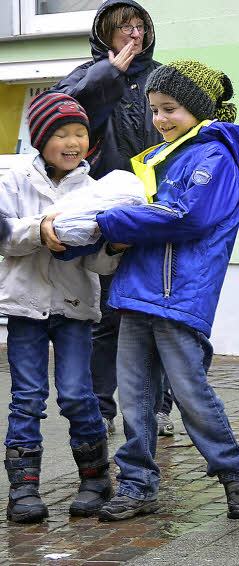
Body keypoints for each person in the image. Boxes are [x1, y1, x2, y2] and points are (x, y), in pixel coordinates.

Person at [93, 60, 239, 521]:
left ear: (199, 110)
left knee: (189, 392)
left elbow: (187, 216)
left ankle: (236, 473)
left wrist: (108, 221)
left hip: (177, 296)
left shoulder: (215, 157)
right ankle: (137, 483)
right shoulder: (162, 156)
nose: (161, 119)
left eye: (171, 109)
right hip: (136, 291)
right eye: (155, 110)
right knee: (134, 396)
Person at [0, 92, 122, 522]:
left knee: (75, 393)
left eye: (80, 133)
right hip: (25, 309)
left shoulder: (95, 190)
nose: (73, 142)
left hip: (74, 309)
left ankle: (95, 478)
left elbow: (97, 261)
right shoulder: (13, 181)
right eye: (61, 134)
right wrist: (42, 229)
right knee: (27, 397)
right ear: (39, 139)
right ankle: (23, 489)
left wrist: (115, 246)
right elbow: (5, 238)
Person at [51, 0, 163, 437]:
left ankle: (158, 408)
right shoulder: (88, 75)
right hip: (108, 210)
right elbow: (63, 115)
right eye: (124, 29)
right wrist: (109, 73)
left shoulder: (162, 75)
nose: (134, 35)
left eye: (140, 27)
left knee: (160, 313)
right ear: (104, 34)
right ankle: (101, 407)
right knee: (108, 316)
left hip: (157, 207)